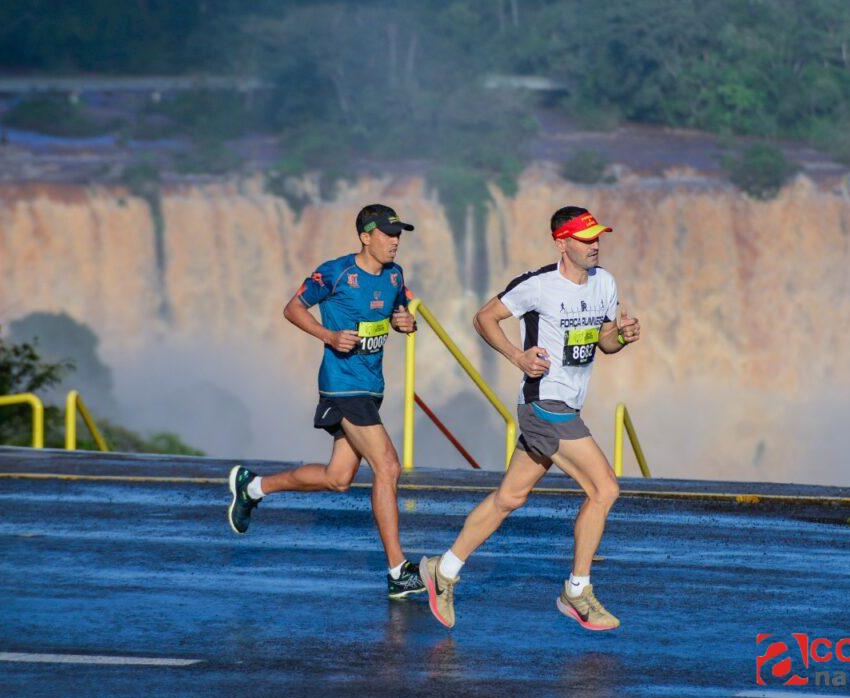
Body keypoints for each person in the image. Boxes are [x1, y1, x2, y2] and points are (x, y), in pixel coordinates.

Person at [420, 206, 641, 630]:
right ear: (562, 243)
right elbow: (484, 318)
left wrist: (623, 336)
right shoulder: (537, 285)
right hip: (544, 406)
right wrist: (517, 356)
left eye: (597, 237)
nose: (594, 245)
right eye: (585, 238)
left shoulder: (605, 282)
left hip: (567, 406)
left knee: (510, 498)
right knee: (604, 489)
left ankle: (441, 571)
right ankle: (576, 591)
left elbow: (604, 342)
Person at [227, 203, 426, 599]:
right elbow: (292, 309)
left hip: (371, 386)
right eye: (388, 234)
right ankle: (397, 570)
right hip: (342, 387)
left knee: (338, 479)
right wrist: (329, 336)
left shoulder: (395, 274)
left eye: (398, 234)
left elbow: (397, 311)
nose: (394, 241)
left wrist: (404, 322)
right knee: (388, 467)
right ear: (365, 237)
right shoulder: (336, 272)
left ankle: (253, 488)